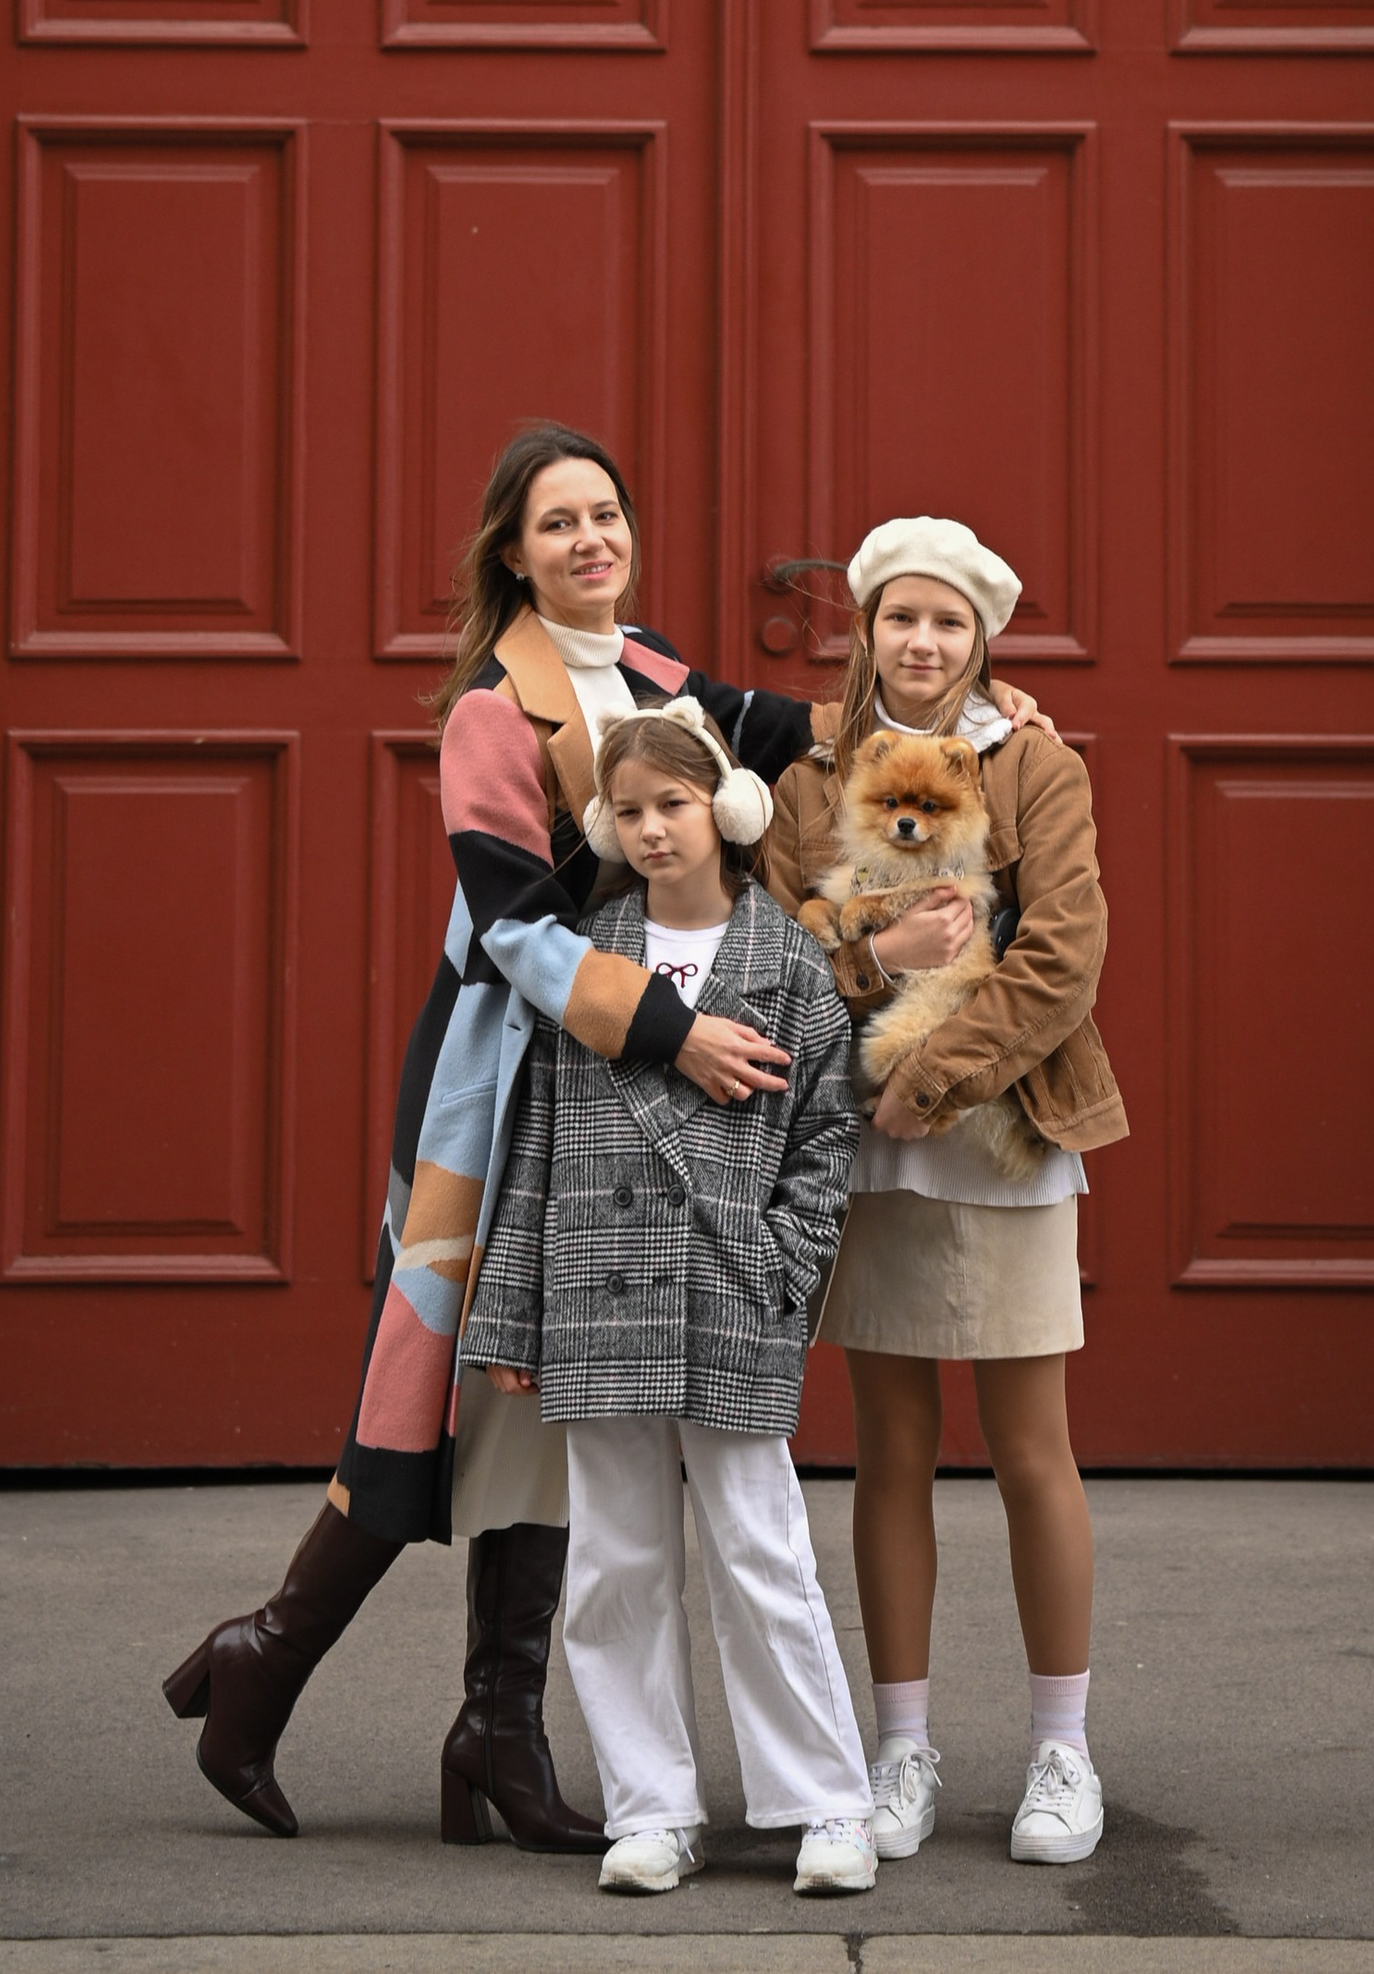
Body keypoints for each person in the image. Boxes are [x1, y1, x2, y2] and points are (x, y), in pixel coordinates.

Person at [163, 426, 1044, 1845]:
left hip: (613, 1067)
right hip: (504, 1078)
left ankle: (487, 1727)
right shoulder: (486, 712)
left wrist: (982, 709)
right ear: (513, 550)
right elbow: (511, 927)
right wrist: (670, 1027)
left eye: (608, 514)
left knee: (546, 1397)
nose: (591, 538)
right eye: (559, 521)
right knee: (448, 1388)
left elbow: (813, 730)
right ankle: (275, 1655)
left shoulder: (654, 672)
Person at [762, 515, 1128, 1871]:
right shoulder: (807, 769)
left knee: (1034, 1446)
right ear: (866, 624)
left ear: (985, 638)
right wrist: (878, 964)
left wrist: (943, 1076)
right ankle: (899, 1742)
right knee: (890, 1447)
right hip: (864, 1146)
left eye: (950, 622)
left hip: (1006, 1135)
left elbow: (1065, 953)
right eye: (900, 616)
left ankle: (1062, 1744)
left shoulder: (1034, 760)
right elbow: (781, 949)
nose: (922, 642)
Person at [465, 706, 875, 1898]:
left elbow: (822, 1145)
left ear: (726, 810)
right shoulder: (588, 966)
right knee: (614, 1561)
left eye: (673, 805)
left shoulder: (788, 965)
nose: (651, 829)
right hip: (594, 1288)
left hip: (728, 1288)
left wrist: (783, 1273)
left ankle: (825, 1801)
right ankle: (651, 1805)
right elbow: (531, 1147)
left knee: (761, 1547)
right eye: (628, 810)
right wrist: (509, 1316)